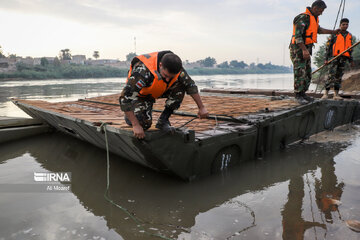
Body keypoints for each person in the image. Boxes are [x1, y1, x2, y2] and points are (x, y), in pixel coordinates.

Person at [119, 51, 209, 139]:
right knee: (144, 124)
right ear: (160, 65)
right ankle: (130, 117)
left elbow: (191, 86)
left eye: (171, 77)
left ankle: (163, 120)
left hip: (158, 90)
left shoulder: (177, 68)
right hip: (140, 95)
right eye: (165, 75)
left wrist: (201, 108)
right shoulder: (142, 71)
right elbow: (124, 98)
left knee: (181, 85)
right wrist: (135, 125)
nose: (167, 79)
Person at [290, 0, 340, 105]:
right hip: (298, 49)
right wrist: (304, 50)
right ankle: (298, 95)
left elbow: (319, 30)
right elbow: (297, 36)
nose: (321, 13)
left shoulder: (313, 18)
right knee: (300, 71)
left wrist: (333, 32)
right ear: (315, 8)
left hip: (306, 49)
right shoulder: (303, 17)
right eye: (320, 11)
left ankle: (303, 93)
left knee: (307, 72)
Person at [322, 18, 355, 100]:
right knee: (331, 75)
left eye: (347, 24)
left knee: (339, 76)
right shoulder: (334, 34)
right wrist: (326, 59)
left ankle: (336, 94)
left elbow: (350, 49)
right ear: (340, 25)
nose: (345, 26)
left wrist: (351, 60)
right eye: (343, 24)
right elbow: (328, 47)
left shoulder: (349, 36)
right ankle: (325, 93)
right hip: (334, 58)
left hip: (343, 59)